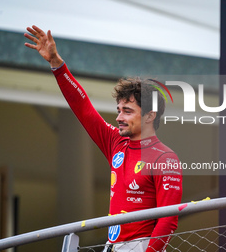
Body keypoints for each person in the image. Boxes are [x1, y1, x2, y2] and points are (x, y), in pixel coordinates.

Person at [24, 25, 182, 252]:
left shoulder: (166, 158)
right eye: (118, 110)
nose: (118, 117)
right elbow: (83, 108)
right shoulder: (116, 141)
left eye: (127, 111)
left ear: (149, 115)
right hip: (112, 246)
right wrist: (56, 64)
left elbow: (168, 221)